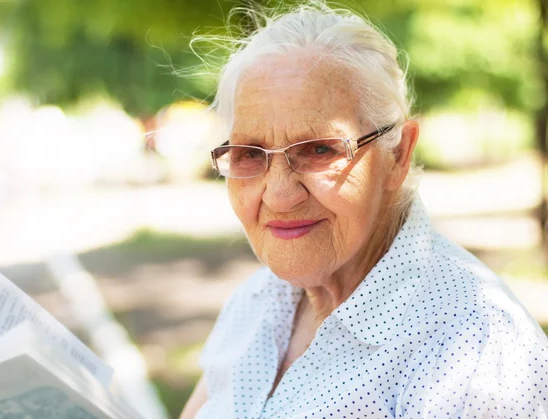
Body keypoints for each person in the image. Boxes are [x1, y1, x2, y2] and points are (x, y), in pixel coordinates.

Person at [180, 3, 548, 418]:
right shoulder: (257, 300)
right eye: (249, 153)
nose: (280, 196)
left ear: (399, 155)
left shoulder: (476, 351)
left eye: (320, 149)